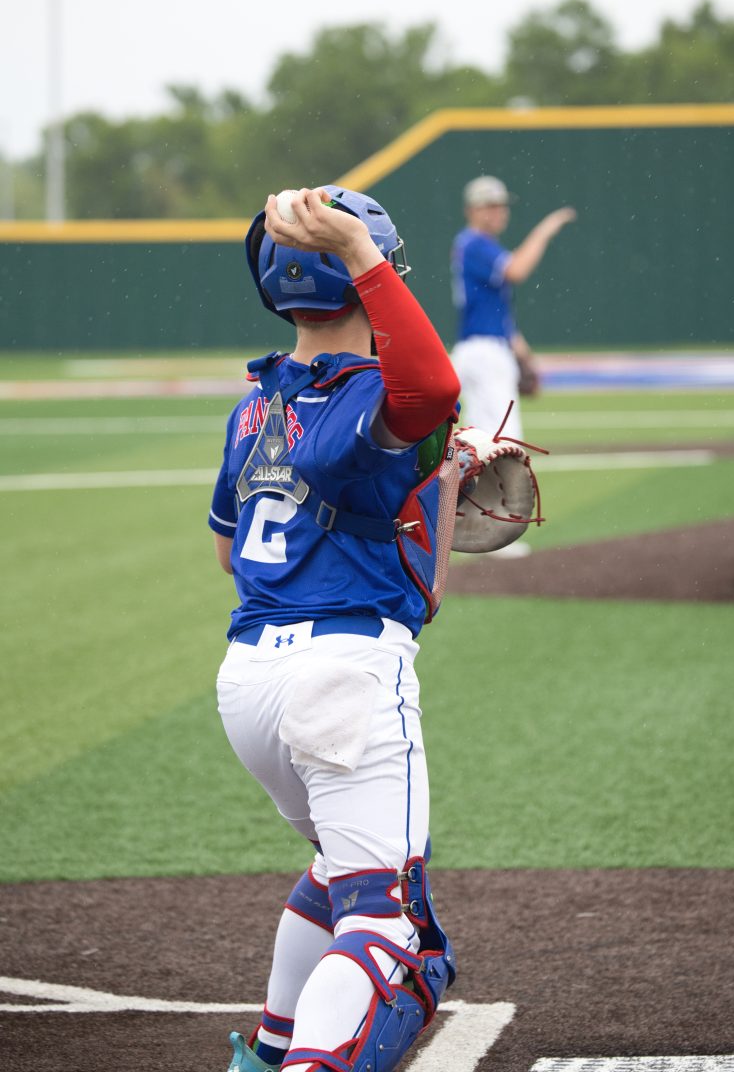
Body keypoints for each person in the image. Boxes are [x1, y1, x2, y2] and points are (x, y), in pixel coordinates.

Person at [208, 185, 460, 1072]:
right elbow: (432, 386)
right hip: (344, 676)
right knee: (392, 927)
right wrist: (360, 249)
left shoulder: (256, 404)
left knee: (339, 867)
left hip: (250, 684)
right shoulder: (367, 396)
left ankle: (268, 1052)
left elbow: (230, 552)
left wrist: (437, 485)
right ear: (365, 274)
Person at [450, 174, 576, 439]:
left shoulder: (477, 244)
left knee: (483, 441)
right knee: (505, 442)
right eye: (490, 206)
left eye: (502, 205)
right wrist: (545, 231)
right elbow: (516, 270)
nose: (499, 212)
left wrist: (524, 357)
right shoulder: (474, 243)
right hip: (485, 352)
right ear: (471, 210)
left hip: (484, 348)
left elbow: (498, 315)